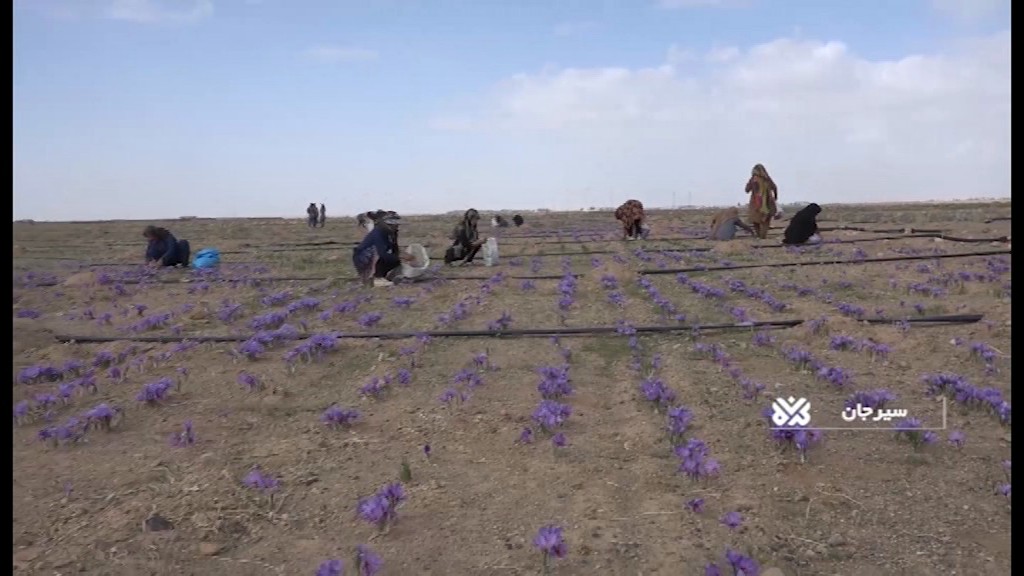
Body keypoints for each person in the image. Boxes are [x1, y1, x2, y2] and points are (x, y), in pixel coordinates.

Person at [352, 213, 414, 287]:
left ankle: (387, 276)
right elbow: (382, 253)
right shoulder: (378, 233)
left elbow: (394, 247)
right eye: (395, 225)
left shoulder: (392, 233)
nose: (397, 227)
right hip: (363, 256)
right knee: (383, 256)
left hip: (376, 254)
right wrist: (400, 257)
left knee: (394, 259)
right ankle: (377, 278)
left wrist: (399, 257)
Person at [745, 164, 779, 239]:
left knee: (756, 220)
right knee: (765, 221)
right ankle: (762, 237)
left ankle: (760, 236)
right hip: (767, 203)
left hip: (756, 204)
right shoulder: (767, 179)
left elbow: (747, 190)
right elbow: (775, 188)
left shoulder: (753, 179)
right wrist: (775, 197)